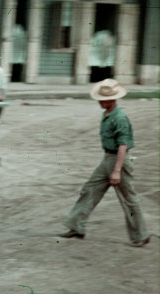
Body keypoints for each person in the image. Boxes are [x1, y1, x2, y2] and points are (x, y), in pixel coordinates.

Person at [59, 79, 150, 247]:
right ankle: (77, 226)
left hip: (119, 160)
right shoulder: (107, 114)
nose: (100, 102)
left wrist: (116, 171)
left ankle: (141, 235)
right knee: (90, 189)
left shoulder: (120, 118)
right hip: (107, 158)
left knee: (128, 199)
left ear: (112, 100)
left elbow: (123, 145)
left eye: (103, 99)